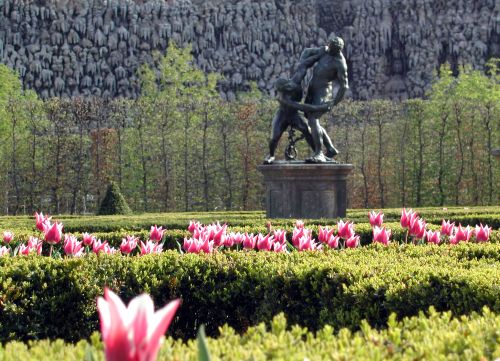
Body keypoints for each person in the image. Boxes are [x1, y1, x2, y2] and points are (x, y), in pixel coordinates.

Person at [264, 52, 334, 164]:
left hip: (294, 114)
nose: (289, 89)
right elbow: (302, 106)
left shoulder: (296, 80)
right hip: (283, 115)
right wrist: (321, 107)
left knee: (308, 131)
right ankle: (271, 154)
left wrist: (320, 53)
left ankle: (318, 152)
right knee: (274, 136)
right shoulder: (283, 98)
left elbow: (304, 65)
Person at [301, 35, 348, 163]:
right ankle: (331, 148)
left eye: (334, 50)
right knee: (311, 120)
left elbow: (344, 86)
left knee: (313, 119)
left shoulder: (340, 63)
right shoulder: (325, 50)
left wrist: (334, 102)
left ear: (339, 50)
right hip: (312, 90)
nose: (331, 51)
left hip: (323, 93)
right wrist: (304, 63)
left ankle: (319, 152)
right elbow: (306, 51)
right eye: (331, 48)